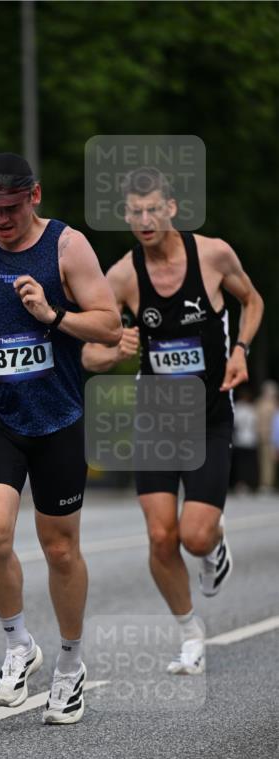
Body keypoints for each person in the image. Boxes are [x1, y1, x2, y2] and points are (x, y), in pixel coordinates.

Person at [0, 152, 121, 725]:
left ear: (34, 197)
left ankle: (69, 664)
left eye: (10, 208)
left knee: (60, 548)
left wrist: (52, 314)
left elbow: (110, 324)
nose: (0, 220)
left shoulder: (67, 247)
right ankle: (19, 644)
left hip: (59, 415)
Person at [83, 167, 264, 674]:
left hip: (209, 418)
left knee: (195, 536)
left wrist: (241, 350)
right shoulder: (121, 276)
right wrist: (113, 348)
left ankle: (214, 544)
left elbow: (252, 301)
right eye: (135, 212)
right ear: (126, 215)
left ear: (172, 209)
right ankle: (189, 633)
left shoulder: (213, 255)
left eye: (153, 210)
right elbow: (88, 358)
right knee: (161, 538)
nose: (145, 219)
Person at [231, 386, 259, 493]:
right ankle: (248, 483)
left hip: (240, 439)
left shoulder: (237, 408)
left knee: (240, 464)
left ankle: (241, 484)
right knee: (249, 464)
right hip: (251, 439)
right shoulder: (252, 408)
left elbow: (235, 424)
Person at [256, 380, 278, 491]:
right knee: (265, 461)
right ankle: (265, 484)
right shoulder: (261, 403)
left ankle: (267, 484)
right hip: (263, 436)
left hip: (271, 437)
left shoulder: (273, 404)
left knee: (268, 462)